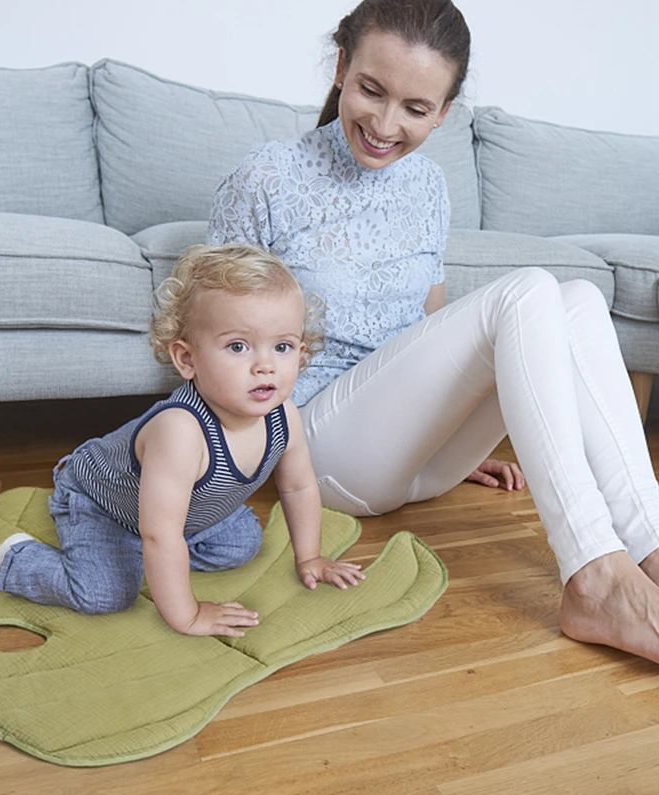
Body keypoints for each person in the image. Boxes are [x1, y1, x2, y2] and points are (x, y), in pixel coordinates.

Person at [208, 0, 659, 662]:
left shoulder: (429, 187)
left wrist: (456, 427)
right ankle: (594, 574)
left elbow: (426, 330)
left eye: (416, 109)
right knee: (528, 289)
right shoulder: (268, 175)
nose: (386, 124)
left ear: (444, 111)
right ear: (341, 68)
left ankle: (649, 545)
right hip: (321, 449)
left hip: (415, 460)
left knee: (580, 298)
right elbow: (217, 336)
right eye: (371, 90)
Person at [0, 244, 364, 637]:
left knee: (243, 543)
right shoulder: (181, 431)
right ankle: (17, 558)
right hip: (103, 505)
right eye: (238, 346)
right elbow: (160, 532)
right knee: (104, 593)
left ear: (302, 350)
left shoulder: (284, 416)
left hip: (181, 514)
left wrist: (310, 556)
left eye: (282, 346)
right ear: (187, 360)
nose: (265, 365)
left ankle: (145, 559)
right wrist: (187, 614)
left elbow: (297, 486)